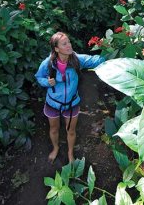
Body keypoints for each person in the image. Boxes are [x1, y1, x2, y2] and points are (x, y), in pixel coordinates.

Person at [35, 32, 105, 163]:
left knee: (70, 131)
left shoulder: (76, 59)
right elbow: (39, 77)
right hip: (53, 103)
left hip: (72, 103)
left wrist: (113, 53)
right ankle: (55, 148)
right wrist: (47, 82)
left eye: (69, 42)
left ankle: (70, 153)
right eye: (64, 43)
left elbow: (95, 60)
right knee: (54, 129)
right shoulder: (48, 63)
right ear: (56, 49)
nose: (69, 45)